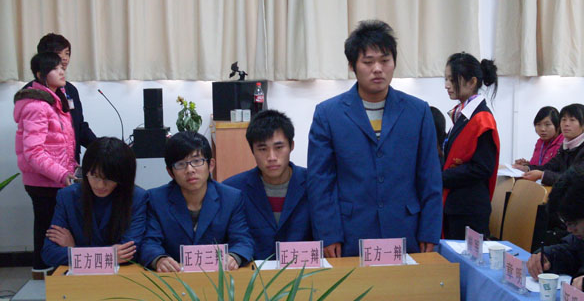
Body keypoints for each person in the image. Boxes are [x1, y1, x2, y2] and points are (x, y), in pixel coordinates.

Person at [307, 19, 442, 257]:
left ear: (394, 63)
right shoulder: (328, 114)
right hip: (350, 232)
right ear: (352, 66)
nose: (377, 69)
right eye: (368, 62)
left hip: (406, 229)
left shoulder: (418, 111)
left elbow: (430, 177)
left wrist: (429, 231)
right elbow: (321, 182)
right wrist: (328, 233)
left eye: (385, 60)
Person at [140, 131, 254, 272]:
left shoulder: (231, 198)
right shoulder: (156, 199)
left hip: (219, 276)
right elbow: (149, 243)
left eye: (196, 161)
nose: (190, 170)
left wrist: (234, 256)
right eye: (180, 164)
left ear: (210, 165)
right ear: (170, 172)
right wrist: (159, 259)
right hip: (174, 277)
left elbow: (243, 240)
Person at [14, 52, 78, 278]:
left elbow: (61, 144)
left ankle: (46, 270)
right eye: (55, 68)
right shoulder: (37, 106)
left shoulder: (54, 100)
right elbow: (33, 152)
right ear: (40, 74)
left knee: (51, 226)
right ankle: (42, 272)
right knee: (48, 227)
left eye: (62, 67)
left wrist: (71, 167)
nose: (62, 71)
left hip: (54, 178)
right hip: (44, 181)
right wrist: (62, 174)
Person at [41, 137, 147, 266]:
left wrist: (74, 250)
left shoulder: (137, 198)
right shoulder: (67, 197)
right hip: (79, 277)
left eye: (109, 178)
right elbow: (49, 254)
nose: (100, 185)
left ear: (123, 177)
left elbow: (130, 253)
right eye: (94, 176)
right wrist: (109, 255)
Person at [223, 110, 311, 260]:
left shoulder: (313, 183)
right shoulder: (232, 190)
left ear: (291, 146)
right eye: (262, 149)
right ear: (252, 150)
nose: (271, 157)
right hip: (252, 271)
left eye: (279, 147)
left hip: (305, 269)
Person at [442, 52, 500, 239]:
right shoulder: (463, 115)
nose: (447, 85)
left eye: (452, 80)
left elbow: (482, 168)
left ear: (472, 81)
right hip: (457, 205)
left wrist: (440, 177)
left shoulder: (482, 119)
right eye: (446, 79)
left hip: (469, 210)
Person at [526, 167, 584, 301]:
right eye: (565, 223)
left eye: (573, 223)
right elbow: (571, 250)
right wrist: (547, 256)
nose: (569, 229)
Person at [23, 33, 96, 163]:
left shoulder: (70, 90)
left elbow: (79, 126)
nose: (64, 58)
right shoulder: (30, 92)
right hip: (45, 165)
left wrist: (100, 147)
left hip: (71, 161)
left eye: (67, 53)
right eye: (58, 53)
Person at [524, 104, 584, 186]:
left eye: (572, 120)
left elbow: (579, 179)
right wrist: (527, 168)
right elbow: (551, 166)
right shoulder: (568, 143)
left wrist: (542, 175)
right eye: (563, 119)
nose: (566, 124)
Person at [513, 106, 563, 171]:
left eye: (547, 124)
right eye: (538, 124)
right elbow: (539, 166)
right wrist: (526, 165)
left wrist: (528, 168)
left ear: (558, 126)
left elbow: (555, 170)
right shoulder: (540, 142)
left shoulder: (564, 143)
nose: (542, 129)